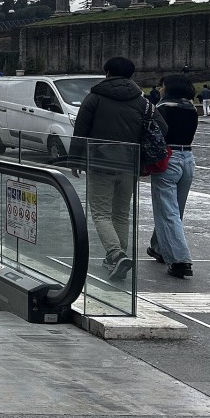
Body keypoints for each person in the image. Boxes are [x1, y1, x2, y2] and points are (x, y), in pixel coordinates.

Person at [70, 56, 166, 281]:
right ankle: (116, 257)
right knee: (121, 213)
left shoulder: (94, 98)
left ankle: (115, 253)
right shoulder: (142, 101)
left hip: (100, 162)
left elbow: (80, 130)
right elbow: (162, 126)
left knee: (101, 213)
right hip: (129, 164)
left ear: (107, 72)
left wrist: (74, 160)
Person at [148, 74, 197, 278]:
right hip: (188, 158)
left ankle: (180, 259)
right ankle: (158, 246)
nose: (160, 89)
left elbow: (155, 135)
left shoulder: (162, 109)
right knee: (176, 209)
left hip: (168, 159)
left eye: (162, 86)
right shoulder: (191, 109)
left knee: (167, 211)